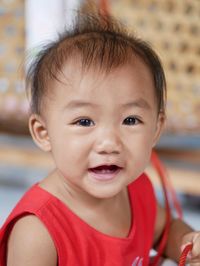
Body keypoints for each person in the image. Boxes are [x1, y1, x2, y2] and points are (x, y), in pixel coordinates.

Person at [0, 12, 199, 266]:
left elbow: (165, 230)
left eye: (130, 120)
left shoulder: (136, 189)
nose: (109, 143)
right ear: (43, 132)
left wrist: (188, 241)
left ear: (156, 128)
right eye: (84, 122)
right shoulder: (37, 231)